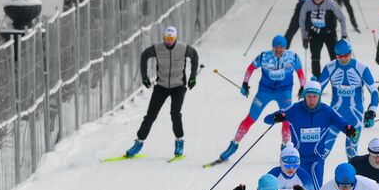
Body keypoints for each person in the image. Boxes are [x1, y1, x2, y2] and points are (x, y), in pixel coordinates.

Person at [212, 36, 306, 163]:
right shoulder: (264, 57)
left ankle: (285, 146)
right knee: (250, 118)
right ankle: (234, 145)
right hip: (265, 91)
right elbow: (250, 68)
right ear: (272, 47)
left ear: (285, 47)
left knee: (286, 119)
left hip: (284, 92)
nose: (278, 50)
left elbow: (300, 72)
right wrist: (245, 83)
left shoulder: (293, 57)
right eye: (276, 47)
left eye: (281, 47)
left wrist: (303, 87)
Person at [124, 25, 198, 159]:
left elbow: (194, 56)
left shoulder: (183, 48)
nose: (169, 41)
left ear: (175, 38)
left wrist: (193, 78)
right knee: (150, 115)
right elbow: (144, 56)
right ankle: (139, 142)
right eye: (167, 38)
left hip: (178, 86)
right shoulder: (158, 48)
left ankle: (179, 141)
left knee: (175, 114)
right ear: (163, 38)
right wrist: (144, 76)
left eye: (171, 38)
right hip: (161, 86)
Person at [264, 81, 355, 186]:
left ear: (319, 97)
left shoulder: (327, 111)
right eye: (309, 96)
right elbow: (267, 119)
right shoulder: (294, 109)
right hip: (297, 160)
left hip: (316, 159)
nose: (312, 100)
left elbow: (344, 124)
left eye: (315, 96)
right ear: (304, 96)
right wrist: (276, 117)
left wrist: (349, 129)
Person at [317, 40, 379, 160]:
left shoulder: (361, 68)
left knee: (351, 152)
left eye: (346, 56)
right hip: (334, 116)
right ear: (335, 55)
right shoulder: (329, 67)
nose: (343, 59)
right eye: (340, 56)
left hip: (355, 117)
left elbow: (374, 92)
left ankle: (354, 178)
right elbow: (317, 90)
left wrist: (372, 110)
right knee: (323, 151)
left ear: (350, 53)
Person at [284, 0, 347, 74]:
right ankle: (316, 80)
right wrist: (304, 37)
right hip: (314, 34)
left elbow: (342, 18)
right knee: (315, 57)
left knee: (334, 56)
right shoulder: (307, 5)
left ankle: (337, 75)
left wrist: (344, 34)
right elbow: (301, 21)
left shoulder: (330, 3)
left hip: (329, 33)